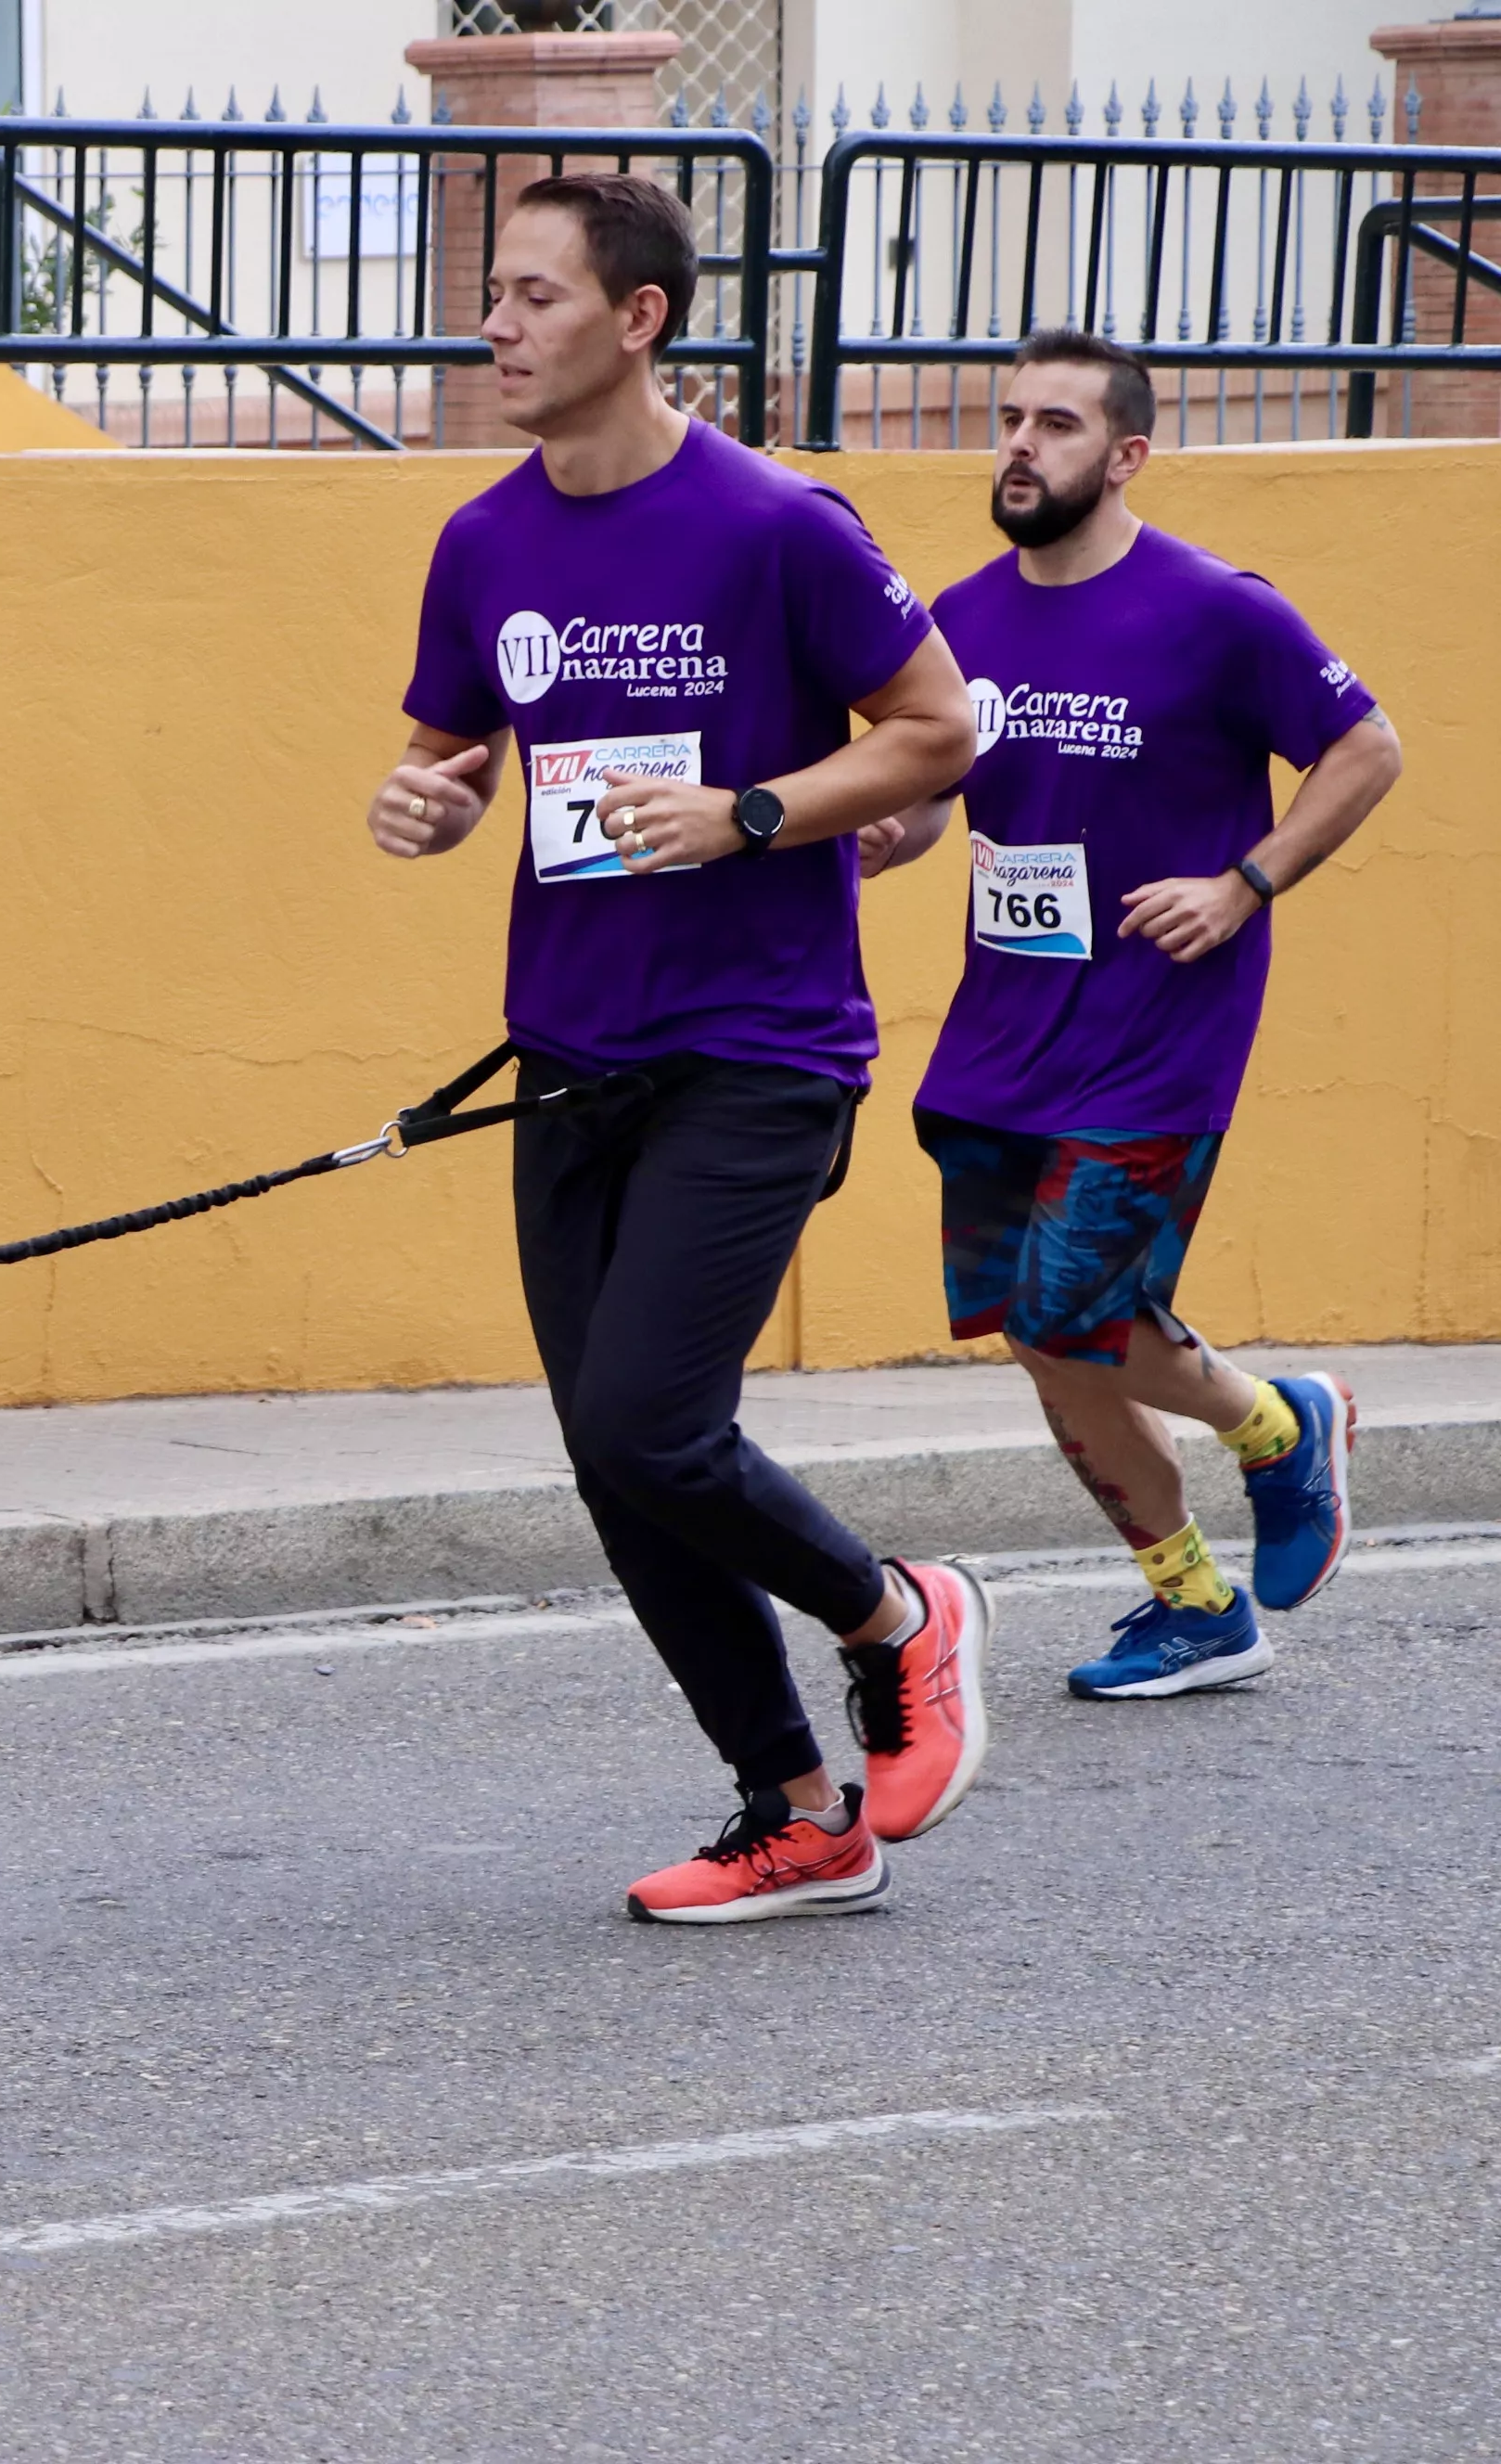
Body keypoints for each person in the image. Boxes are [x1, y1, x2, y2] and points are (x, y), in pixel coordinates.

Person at [370, 173, 990, 1923]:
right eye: (490, 294)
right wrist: (423, 799)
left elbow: (932, 732)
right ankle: (795, 1808)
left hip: (758, 1047)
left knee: (648, 1420)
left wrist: (753, 812)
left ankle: (896, 1614)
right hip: (567, 1051)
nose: (492, 324)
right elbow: (449, 744)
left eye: (531, 296)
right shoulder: (482, 539)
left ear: (635, 319)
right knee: (612, 1452)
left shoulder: (776, 523)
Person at [861, 330, 1396, 1700]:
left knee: (1071, 1302)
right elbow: (935, 787)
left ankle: (1280, 1426)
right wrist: (891, 831)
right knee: (1038, 1334)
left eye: (1056, 424)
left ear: (1128, 453)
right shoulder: (964, 618)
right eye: (1011, 420)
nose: (1022, 446)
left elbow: (1366, 746)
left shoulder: (1218, 609)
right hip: (1002, 1035)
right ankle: (1194, 1602)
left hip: (1158, 1030)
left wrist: (1245, 883)